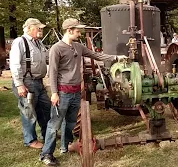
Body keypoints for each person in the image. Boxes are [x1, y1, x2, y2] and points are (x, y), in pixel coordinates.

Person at [40, 18, 127, 165]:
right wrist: (54, 93)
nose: (80, 33)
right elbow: (52, 73)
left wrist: (116, 57)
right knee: (54, 124)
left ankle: (65, 146)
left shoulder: (78, 47)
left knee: (71, 122)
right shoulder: (56, 48)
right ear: (69, 30)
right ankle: (46, 154)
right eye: (78, 30)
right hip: (62, 92)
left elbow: (96, 55)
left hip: (75, 93)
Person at [9, 18, 51, 149]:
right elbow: (14, 64)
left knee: (46, 109)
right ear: (29, 29)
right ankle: (31, 140)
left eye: (41, 28)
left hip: (39, 82)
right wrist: (19, 85)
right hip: (26, 83)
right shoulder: (20, 42)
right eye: (38, 28)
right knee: (28, 112)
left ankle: (47, 134)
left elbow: (48, 57)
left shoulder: (39, 44)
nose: (41, 30)